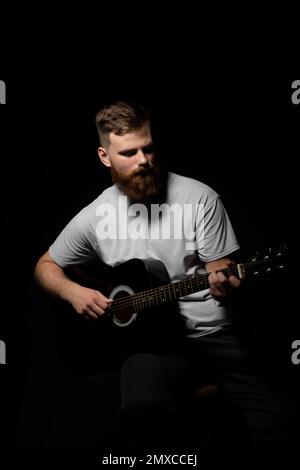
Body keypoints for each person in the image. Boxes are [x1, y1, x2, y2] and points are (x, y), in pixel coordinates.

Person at [34, 101, 297, 454]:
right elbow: (45, 266)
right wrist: (73, 292)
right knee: (143, 421)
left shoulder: (199, 198)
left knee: (281, 421)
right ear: (104, 156)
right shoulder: (95, 215)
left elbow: (223, 271)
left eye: (149, 147)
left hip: (212, 332)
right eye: (129, 152)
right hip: (151, 345)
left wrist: (225, 285)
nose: (143, 160)